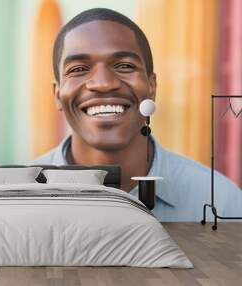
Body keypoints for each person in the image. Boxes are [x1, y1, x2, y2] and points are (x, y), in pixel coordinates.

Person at [32, 8, 242, 221]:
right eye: (78, 69)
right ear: (57, 95)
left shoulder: (222, 204)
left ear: (152, 86)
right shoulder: (12, 199)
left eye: (124, 66)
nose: (104, 84)